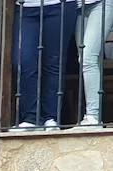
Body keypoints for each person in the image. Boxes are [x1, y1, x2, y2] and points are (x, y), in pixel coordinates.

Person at [12, 0, 81, 129]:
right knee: (23, 61)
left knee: (54, 63)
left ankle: (51, 117)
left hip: (59, 5)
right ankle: (31, 117)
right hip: (25, 6)